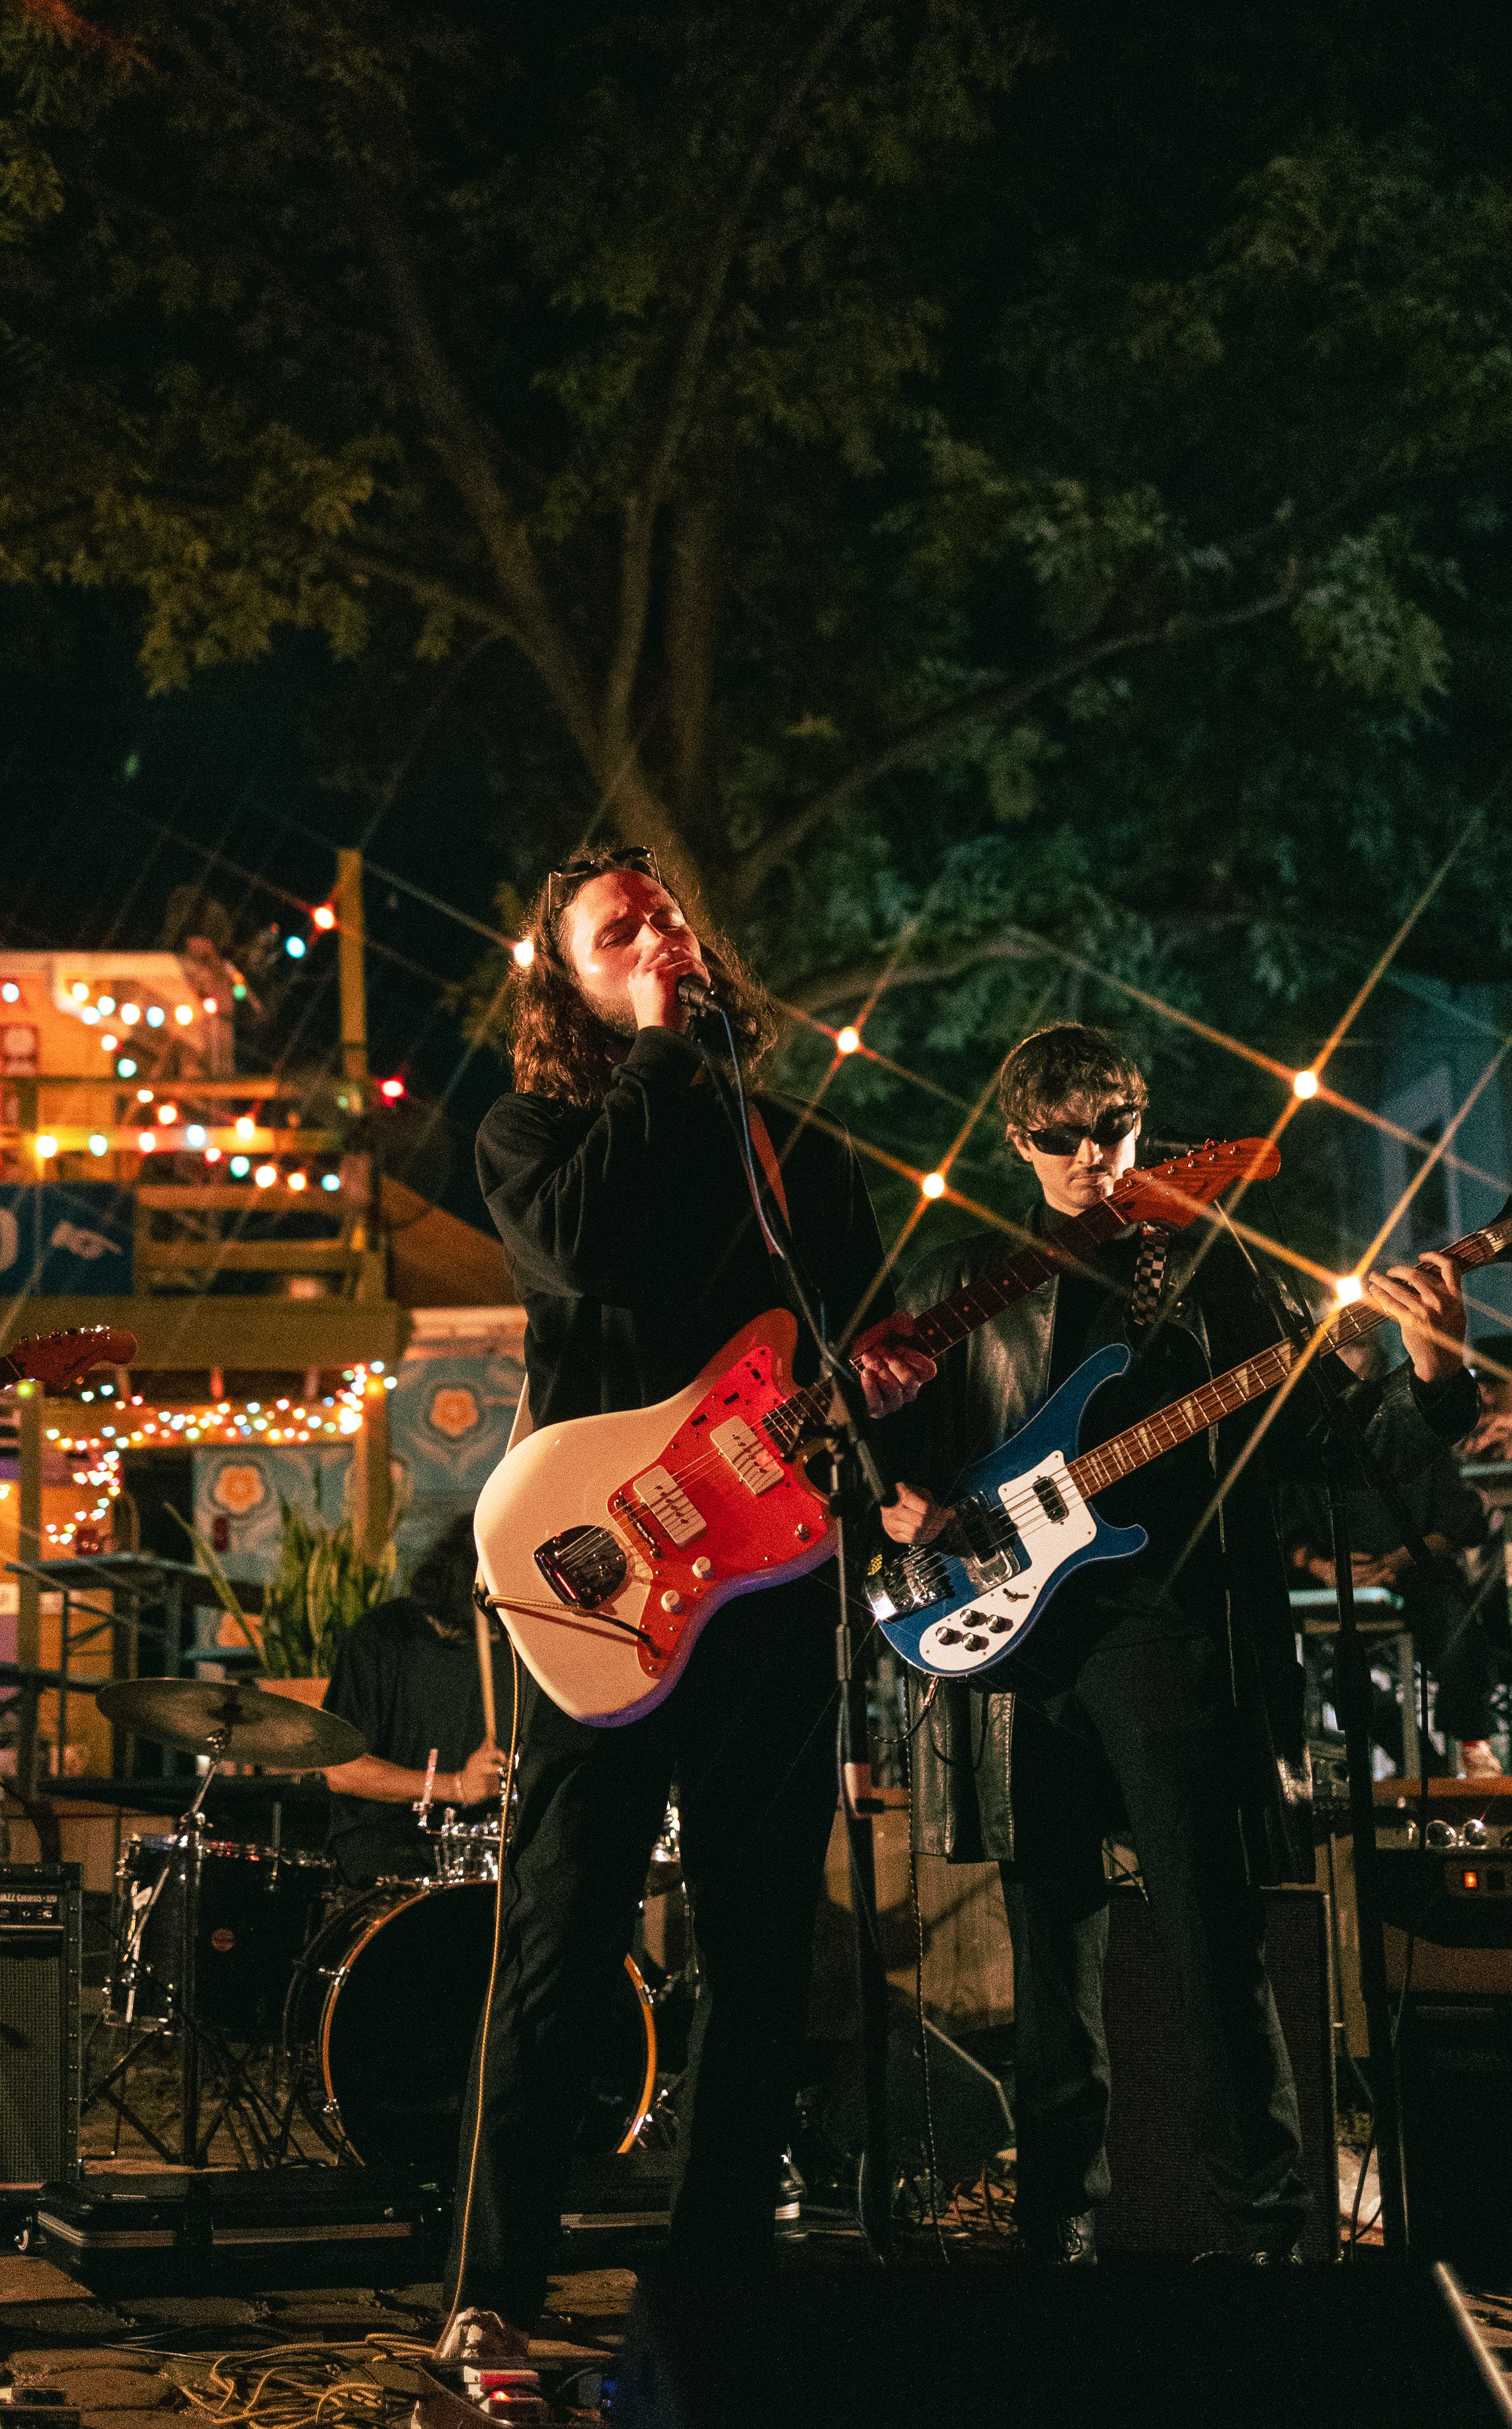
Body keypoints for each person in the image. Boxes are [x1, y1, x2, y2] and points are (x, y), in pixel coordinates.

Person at [882, 1022, 1476, 2264]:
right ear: (1017, 1142)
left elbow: (1323, 1445)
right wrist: (902, 1506)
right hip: (1014, 1647)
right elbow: (876, 1450)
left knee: (1215, 1939)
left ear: (1143, 1126)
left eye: (1113, 1130)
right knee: (1051, 1953)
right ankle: (1056, 2233)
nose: (1093, 1158)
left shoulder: (1215, 1269)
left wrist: (1431, 1374)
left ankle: (1264, 2233)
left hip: (1168, 1634)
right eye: (1062, 1138)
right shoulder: (964, 1271)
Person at [441, 843, 931, 2345]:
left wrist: (888, 1394)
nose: (658, 930)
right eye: (617, 928)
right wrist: (660, 1047)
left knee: (767, 1935)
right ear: (569, 982)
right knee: (564, 1931)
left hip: (772, 1590)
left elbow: (855, 1360)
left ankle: (715, 2283)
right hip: (602, 1588)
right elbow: (583, 1241)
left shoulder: (803, 1157)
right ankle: (494, 2292)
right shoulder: (535, 1128)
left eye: (665, 913)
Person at [1281, 1338, 1499, 1779]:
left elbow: (1461, 1520)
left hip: (1417, 1578)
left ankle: (1472, 1744)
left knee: (1460, 1624)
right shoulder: (1305, 1444)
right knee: (1333, 1675)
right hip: (1337, 1585)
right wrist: (1324, 1567)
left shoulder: (1410, 1437)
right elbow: (1286, 1531)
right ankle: (1424, 1764)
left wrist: (1398, 1563)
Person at [322, 1513, 510, 1887]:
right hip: (389, 1850)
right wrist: (456, 1786)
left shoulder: (518, 1647)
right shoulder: (379, 1637)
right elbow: (341, 1771)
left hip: (491, 1855)